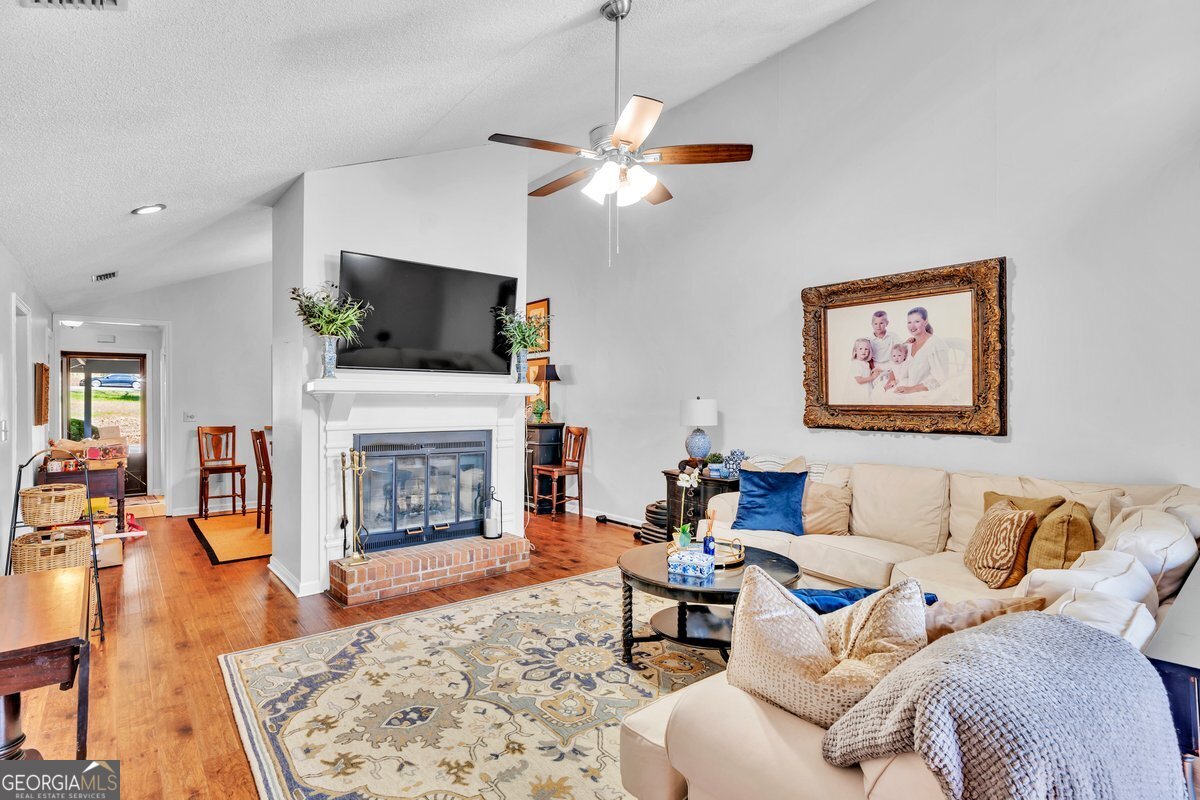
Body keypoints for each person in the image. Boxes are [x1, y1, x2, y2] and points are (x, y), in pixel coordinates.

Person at [893, 306, 949, 395]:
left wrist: (911, 389)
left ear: (925, 322)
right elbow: (896, 363)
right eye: (909, 322)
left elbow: (940, 379)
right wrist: (892, 379)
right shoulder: (908, 345)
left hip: (926, 393)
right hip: (906, 388)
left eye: (917, 321)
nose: (912, 326)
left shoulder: (935, 344)